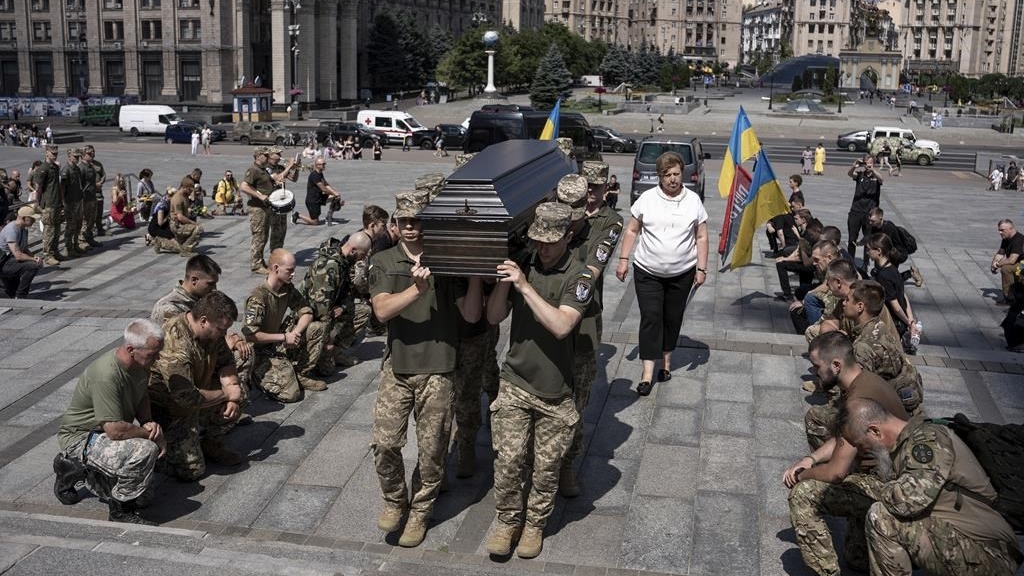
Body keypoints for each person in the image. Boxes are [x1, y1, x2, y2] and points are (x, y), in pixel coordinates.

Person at [368, 190, 482, 548]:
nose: (412, 228)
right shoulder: (384, 260)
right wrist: (417, 290)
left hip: (439, 369)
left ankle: (420, 511)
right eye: (405, 222)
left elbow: (472, 315)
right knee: (385, 443)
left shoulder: (446, 263)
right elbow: (382, 311)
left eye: (418, 221)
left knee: (432, 449)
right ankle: (394, 499)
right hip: (399, 367)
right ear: (396, 225)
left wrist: (476, 274)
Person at [484, 202, 590, 559]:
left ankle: (534, 525)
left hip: (555, 391)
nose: (542, 247)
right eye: (537, 240)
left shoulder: (580, 277)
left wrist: (526, 287)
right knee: (509, 460)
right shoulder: (524, 262)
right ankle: (507, 521)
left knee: (546, 470)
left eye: (550, 241)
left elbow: (562, 326)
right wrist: (504, 285)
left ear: (567, 237)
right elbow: (494, 316)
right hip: (515, 380)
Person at [837, 398, 1023, 576]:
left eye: (860, 445)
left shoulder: (928, 439)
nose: (861, 452)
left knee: (881, 517)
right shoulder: (903, 445)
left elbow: (908, 501)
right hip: (966, 543)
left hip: (991, 554)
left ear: (875, 431)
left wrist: (878, 488)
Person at [784, 332, 910, 576]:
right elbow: (845, 436)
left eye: (817, 367)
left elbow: (836, 473)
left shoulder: (859, 397)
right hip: (886, 473)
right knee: (856, 559)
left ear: (836, 365)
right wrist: (810, 459)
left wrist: (801, 475)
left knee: (803, 495)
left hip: (889, 485)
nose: (815, 372)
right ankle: (864, 529)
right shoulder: (861, 381)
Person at [53, 319, 166, 525]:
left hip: (107, 431)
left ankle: (89, 473)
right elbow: (115, 431)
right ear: (131, 349)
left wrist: (148, 421)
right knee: (146, 450)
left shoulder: (141, 363)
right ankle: (119, 510)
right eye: (152, 354)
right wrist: (152, 435)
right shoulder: (106, 374)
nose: (157, 359)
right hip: (82, 437)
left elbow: (142, 394)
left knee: (145, 499)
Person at [615, 151, 709, 396]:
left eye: (677, 174)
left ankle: (666, 361)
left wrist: (701, 267)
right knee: (651, 317)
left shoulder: (693, 201)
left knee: (672, 317)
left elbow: (701, 236)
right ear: (659, 176)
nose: (673, 179)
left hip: (682, 273)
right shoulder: (647, 199)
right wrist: (624, 259)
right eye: (667, 175)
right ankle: (647, 372)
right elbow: (632, 231)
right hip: (648, 271)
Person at [148, 291, 246, 481]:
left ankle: (211, 443)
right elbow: (187, 398)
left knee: (241, 394)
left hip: (198, 395)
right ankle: (159, 457)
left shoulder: (212, 333)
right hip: (171, 410)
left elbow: (226, 362)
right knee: (192, 471)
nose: (224, 334)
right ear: (203, 321)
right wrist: (226, 394)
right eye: (221, 329)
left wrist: (233, 394)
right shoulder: (176, 345)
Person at [242, 249, 327, 402]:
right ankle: (257, 375)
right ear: (275, 268)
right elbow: (251, 335)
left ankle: (300, 374)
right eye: (290, 270)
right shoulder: (258, 298)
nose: (293, 274)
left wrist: (295, 333)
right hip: (260, 351)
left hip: (279, 341)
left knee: (316, 328)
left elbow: (306, 312)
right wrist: (283, 337)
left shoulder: (286, 288)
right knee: (291, 395)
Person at [841, 279, 924, 415]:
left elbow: (857, 391)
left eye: (847, 300)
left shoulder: (863, 346)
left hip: (886, 410)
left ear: (860, 307)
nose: (844, 303)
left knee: (818, 417)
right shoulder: (881, 327)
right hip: (900, 399)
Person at [297, 232, 372, 375]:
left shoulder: (343, 261)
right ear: (353, 250)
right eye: (362, 255)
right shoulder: (329, 267)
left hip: (330, 311)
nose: (361, 259)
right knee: (326, 371)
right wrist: (327, 341)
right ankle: (305, 365)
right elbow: (320, 311)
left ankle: (336, 352)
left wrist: (343, 307)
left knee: (363, 311)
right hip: (312, 319)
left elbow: (347, 294)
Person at [865, 235, 917, 346]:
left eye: (868, 249)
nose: (866, 252)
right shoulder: (893, 269)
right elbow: (903, 296)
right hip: (903, 320)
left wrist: (909, 324)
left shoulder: (883, 276)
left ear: (878, 251)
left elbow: (896, 307)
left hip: (894, 323)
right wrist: (910, 319)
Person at [239, 147, 283, 274]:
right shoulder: (253, 170)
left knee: (263, 236)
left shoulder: (263, 170)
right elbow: (243, 186)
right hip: (257, 208)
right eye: (265, 155)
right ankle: (256, 264)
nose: (268, 157)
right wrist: (259, 195)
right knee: (259, 236)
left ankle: (260, 261)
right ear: (258, 156)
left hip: (265, 208)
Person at [867, 207, 922, 287]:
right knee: (881, 276)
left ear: (880, 218)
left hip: (897, 253)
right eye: (870, 220)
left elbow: (887, 244)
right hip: (884, 253)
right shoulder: (874, 227)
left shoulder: (889, 227)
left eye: (873, 221)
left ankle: (911, 273)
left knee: (892, 278)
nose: (870, 223)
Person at [847, 155, 883, 268]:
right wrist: (854, 166)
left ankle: (865, 264)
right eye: (866, 163)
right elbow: (850, 174)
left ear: (873, 163)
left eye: (870, 163)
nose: (868, 165)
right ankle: (850, 262)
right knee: (852, 238)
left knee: (868, 240)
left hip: (870, 214)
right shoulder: (860, 175)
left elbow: (881, 179)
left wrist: (873, 170)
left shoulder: (876, 177)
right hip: (855, 211)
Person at [0, 205, 44, 298]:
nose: (34, 221)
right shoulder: (11, 229)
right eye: (31, 218)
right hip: (4, 263)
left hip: (11, 262)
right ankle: (21, 296)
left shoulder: (23, 229)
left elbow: (25, 249)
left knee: (9, 294)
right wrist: (33, 260)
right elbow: (18, 255)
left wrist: (36, 258)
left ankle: (15, 292)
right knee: (32, 266)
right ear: (23, 218)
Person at [32, 144, 62, 265]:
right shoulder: (43, 168)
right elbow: (38, 188)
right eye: (52, 153)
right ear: (46, 153)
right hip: (48, 204)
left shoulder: (55, 167)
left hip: (56, 202)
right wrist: (36, 203)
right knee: (49, 230)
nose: (55, 155)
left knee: (57, 229)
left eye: (56, 153)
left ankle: (55, 252)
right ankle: (47, 255)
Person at [292, 158, 342, 226]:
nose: (324, 165)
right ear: (317, 165)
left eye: (325, 164)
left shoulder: (320, 173)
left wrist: (335, 192)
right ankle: (297, 215)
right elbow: (323, 189)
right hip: (313, 201)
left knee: (336, 198)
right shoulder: (314, 175)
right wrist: (334, 193)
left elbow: (326, 184)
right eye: (323, 164)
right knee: (315, 222)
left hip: (319, 197)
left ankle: (329, 217)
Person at [60, 148, 87, 259]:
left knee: (78, 224)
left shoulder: (76, 169)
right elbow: (62, 188)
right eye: (75, 156)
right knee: (70, 226)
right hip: (69, 202)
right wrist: (63, 203)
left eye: (78, 156)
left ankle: (75, 244)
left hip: (78, 200)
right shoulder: (66, 170)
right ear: (69, 156)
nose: (77, 158)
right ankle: (68, 247)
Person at [991, 219, 1024, 305]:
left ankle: (1009, 298)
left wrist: (998, 264)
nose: (1000, 232)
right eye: (999, 230)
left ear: (1011, 228)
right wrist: (993, 265)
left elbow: (1012, 260)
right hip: (1019, 264)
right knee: (1006, 266)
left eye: (1002, 230)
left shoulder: (1019, 239)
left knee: (1006, 268)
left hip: (1022, 264)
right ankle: (1011, 295)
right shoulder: (1006, 238)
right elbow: (1000, 254)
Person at [168, 184, 202, 256]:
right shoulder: (178, 198)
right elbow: (180, 217)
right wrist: (194, 223)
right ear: (184, 187)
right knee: (198, 229)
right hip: (177, 225)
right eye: (189, 190)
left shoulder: (185, 196)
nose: (190, 192)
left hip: (181, 223)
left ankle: (159, 241)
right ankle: (185, 250)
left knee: (178, 246)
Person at [83, 145, 107, 237]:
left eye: (94, 152)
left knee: (99, 211)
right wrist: (95, 184)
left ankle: (100, 228)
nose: (93, 154)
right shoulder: (84, 166)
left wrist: (101, 182)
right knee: (90, 214)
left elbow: (103, 175)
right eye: (90, 152)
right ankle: (89, 231)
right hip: (90, 192)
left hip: (98, 191)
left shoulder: (98, 164)